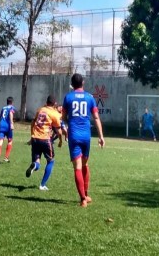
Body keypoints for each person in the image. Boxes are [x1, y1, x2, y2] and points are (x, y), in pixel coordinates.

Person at [62, 73, 105, 207]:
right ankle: (85, 194)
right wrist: (101, 136)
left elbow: (63, 117)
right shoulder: (89, 97)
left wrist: (66, 127)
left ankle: (83, 199)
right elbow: (96, 118)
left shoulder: (68, 97)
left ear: (72, 84)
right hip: (86, 135)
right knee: (85, 164)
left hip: (74, 135)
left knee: (78, 167)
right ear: (83, 83)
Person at [26, 95, 63, 191]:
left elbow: (33, 123)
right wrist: (60, 140)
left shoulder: (40, 110)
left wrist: (31, 137)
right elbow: (59, 131)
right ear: (55, 103)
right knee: (51, 161)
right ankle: (42, 185)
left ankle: (34, 166)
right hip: (45, 139)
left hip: (35, 138)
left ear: (46, 102)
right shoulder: (54, 113)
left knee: (36, 162)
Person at [0, 96, 16, 164]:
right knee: (10, 141)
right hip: (8, 126)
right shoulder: (11, 107)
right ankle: (6, 157)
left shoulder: (3, 108)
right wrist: (12, 123)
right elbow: (10, 114)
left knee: (0, 141)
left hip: (1, 125)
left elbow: (0, 117)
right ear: (12, 102)